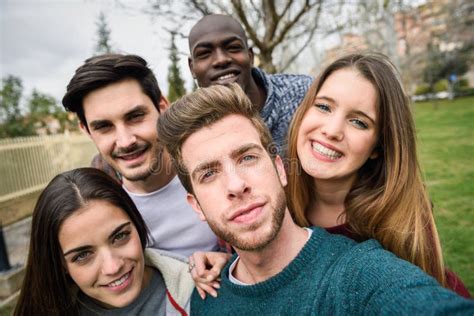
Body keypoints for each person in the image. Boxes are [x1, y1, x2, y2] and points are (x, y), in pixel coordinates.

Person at [157, 83, 474, 314]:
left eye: (247, 158)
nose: (236, 185)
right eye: (209, 174)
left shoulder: (356, 275)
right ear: (196, 205)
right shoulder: (205, 300)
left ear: (280, 169)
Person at [286, 53, 470, 297]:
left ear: (377, 147)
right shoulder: (275, 198)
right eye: (323, 106)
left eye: (359, 122)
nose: (331, 131)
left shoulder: (397, 219)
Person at [62, 54, 219, 257]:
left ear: (162, 108)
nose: (126, 141)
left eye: (135, 117)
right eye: (104, 127)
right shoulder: (90, 205)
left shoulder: (217, 167)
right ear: (87, 131)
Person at [14, 168, 194, 316]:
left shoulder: (198, 291)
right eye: (83, 255)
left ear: (137, 225)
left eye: (120, 236)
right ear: (60, 265)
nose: (113, 267)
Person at [188, 14, 313, 153]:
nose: (221, 60)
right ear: (192, 68)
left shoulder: (305, 95)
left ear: (251, 56)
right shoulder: (191, 134)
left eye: (233, 47)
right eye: (204, 53)